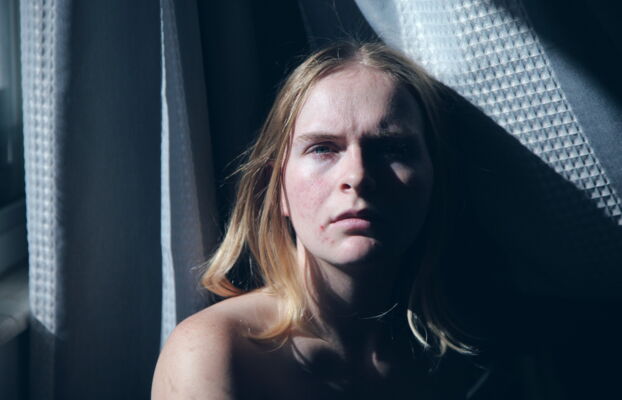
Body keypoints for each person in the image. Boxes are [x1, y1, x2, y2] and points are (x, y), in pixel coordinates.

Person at [152, 41, 474, 399]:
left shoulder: (467, 364)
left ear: (435, 180)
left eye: (392, 148)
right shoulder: (214, 351)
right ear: (276, 188)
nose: (358, 176)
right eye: (322, 148)